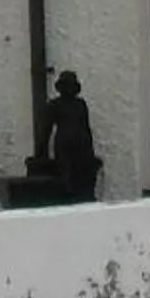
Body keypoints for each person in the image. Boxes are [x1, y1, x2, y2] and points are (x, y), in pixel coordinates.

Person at [41, 69, 102, 202]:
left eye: (70, 86)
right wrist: (43, 154)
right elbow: (46, 130)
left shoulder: (80, 104)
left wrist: (90, 152)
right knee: (66, 178)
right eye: (66, 86)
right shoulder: (54, 105)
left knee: (82, 179)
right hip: (64, 147)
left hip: (81, 146)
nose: (68, 89)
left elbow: (86, 127)